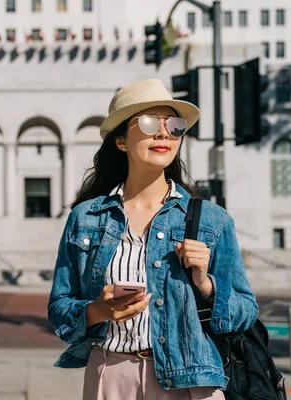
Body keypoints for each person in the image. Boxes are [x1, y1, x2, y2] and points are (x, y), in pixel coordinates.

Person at [47, 79, 258, 399]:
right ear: (121, 141)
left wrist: (205, 284)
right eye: (148, 123)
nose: (164, 133)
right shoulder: (87, 218)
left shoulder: (211, 219)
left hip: (190, 380)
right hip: (111, 375)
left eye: (174, 125)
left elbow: (245, 311)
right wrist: (97, 311)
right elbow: (60, 307)